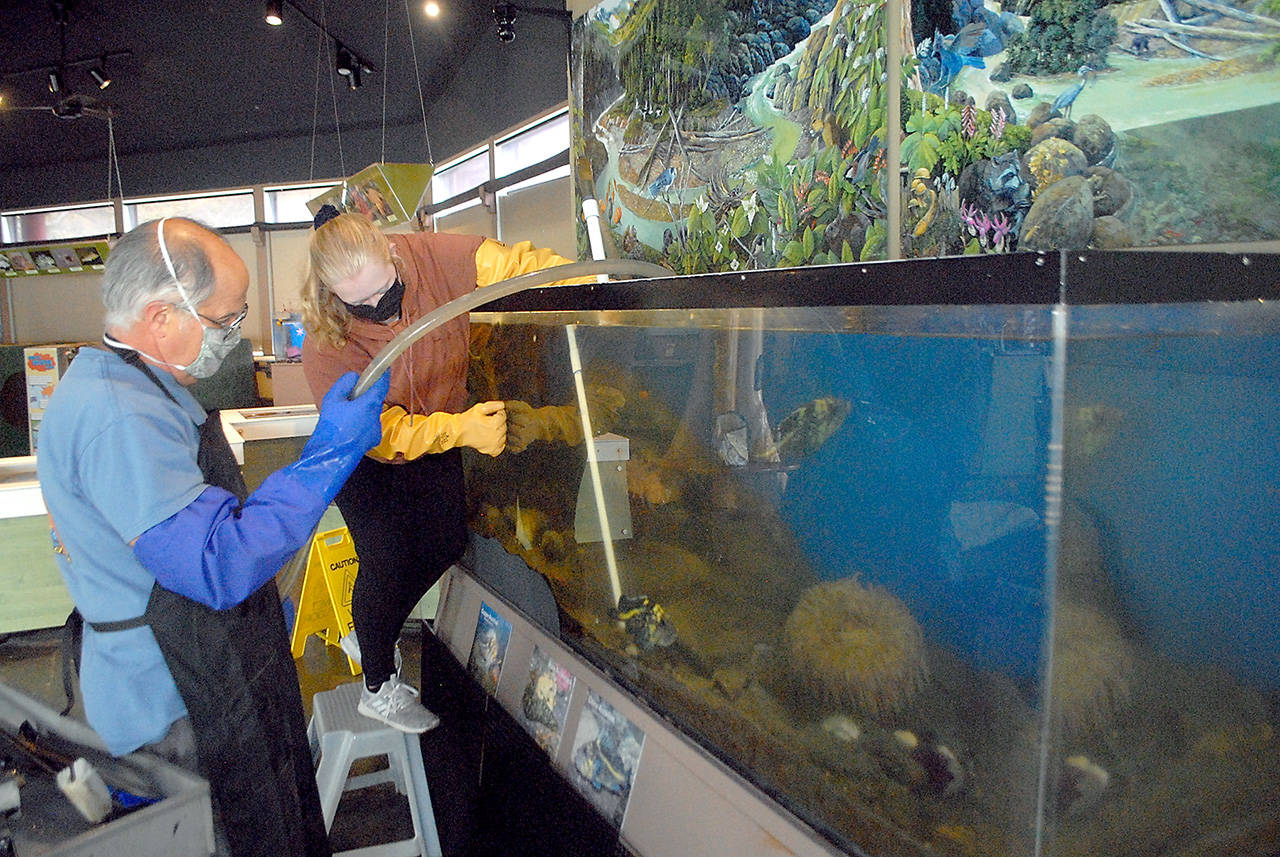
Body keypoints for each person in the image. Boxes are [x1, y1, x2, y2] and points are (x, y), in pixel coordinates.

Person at [37, 217, 390, 857]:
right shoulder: (121, 417)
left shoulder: (130, 386)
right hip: (175, 700)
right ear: (161, 317)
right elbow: (217, 564)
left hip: (198, 663)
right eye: (225, 320)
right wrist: (327, 456)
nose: (233, 335)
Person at [300, 206, 592, 732]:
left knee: (445, 541)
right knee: (386, 555)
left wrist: (590, 283)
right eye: (359, 303)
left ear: (392, 251)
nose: (378, 308)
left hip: (435, 438)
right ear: (329, 294)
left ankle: (373, 628)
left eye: (383, 290)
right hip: (365, 452)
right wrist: (461, 430)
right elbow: (380, 433)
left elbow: (520, 265)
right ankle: (377, 685)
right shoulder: (325, 343)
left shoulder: (437, 257)